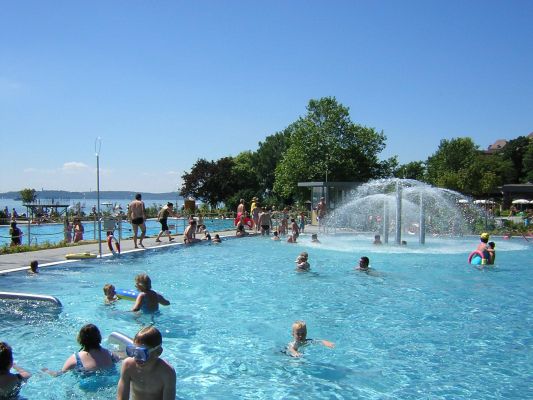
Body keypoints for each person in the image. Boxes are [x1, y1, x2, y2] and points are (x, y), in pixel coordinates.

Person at [117, 326, 176, 400]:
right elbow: (121, 398)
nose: (136, 357)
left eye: (142, 353)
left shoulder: (167, 372)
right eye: (134, 351)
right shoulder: (128, 366)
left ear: (158, 352)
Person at [43, 324, 118, 376]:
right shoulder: (110, 355)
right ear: (99, 337)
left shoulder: (75, 359)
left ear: (80, 339)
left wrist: (47, 371)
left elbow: (58, 374)